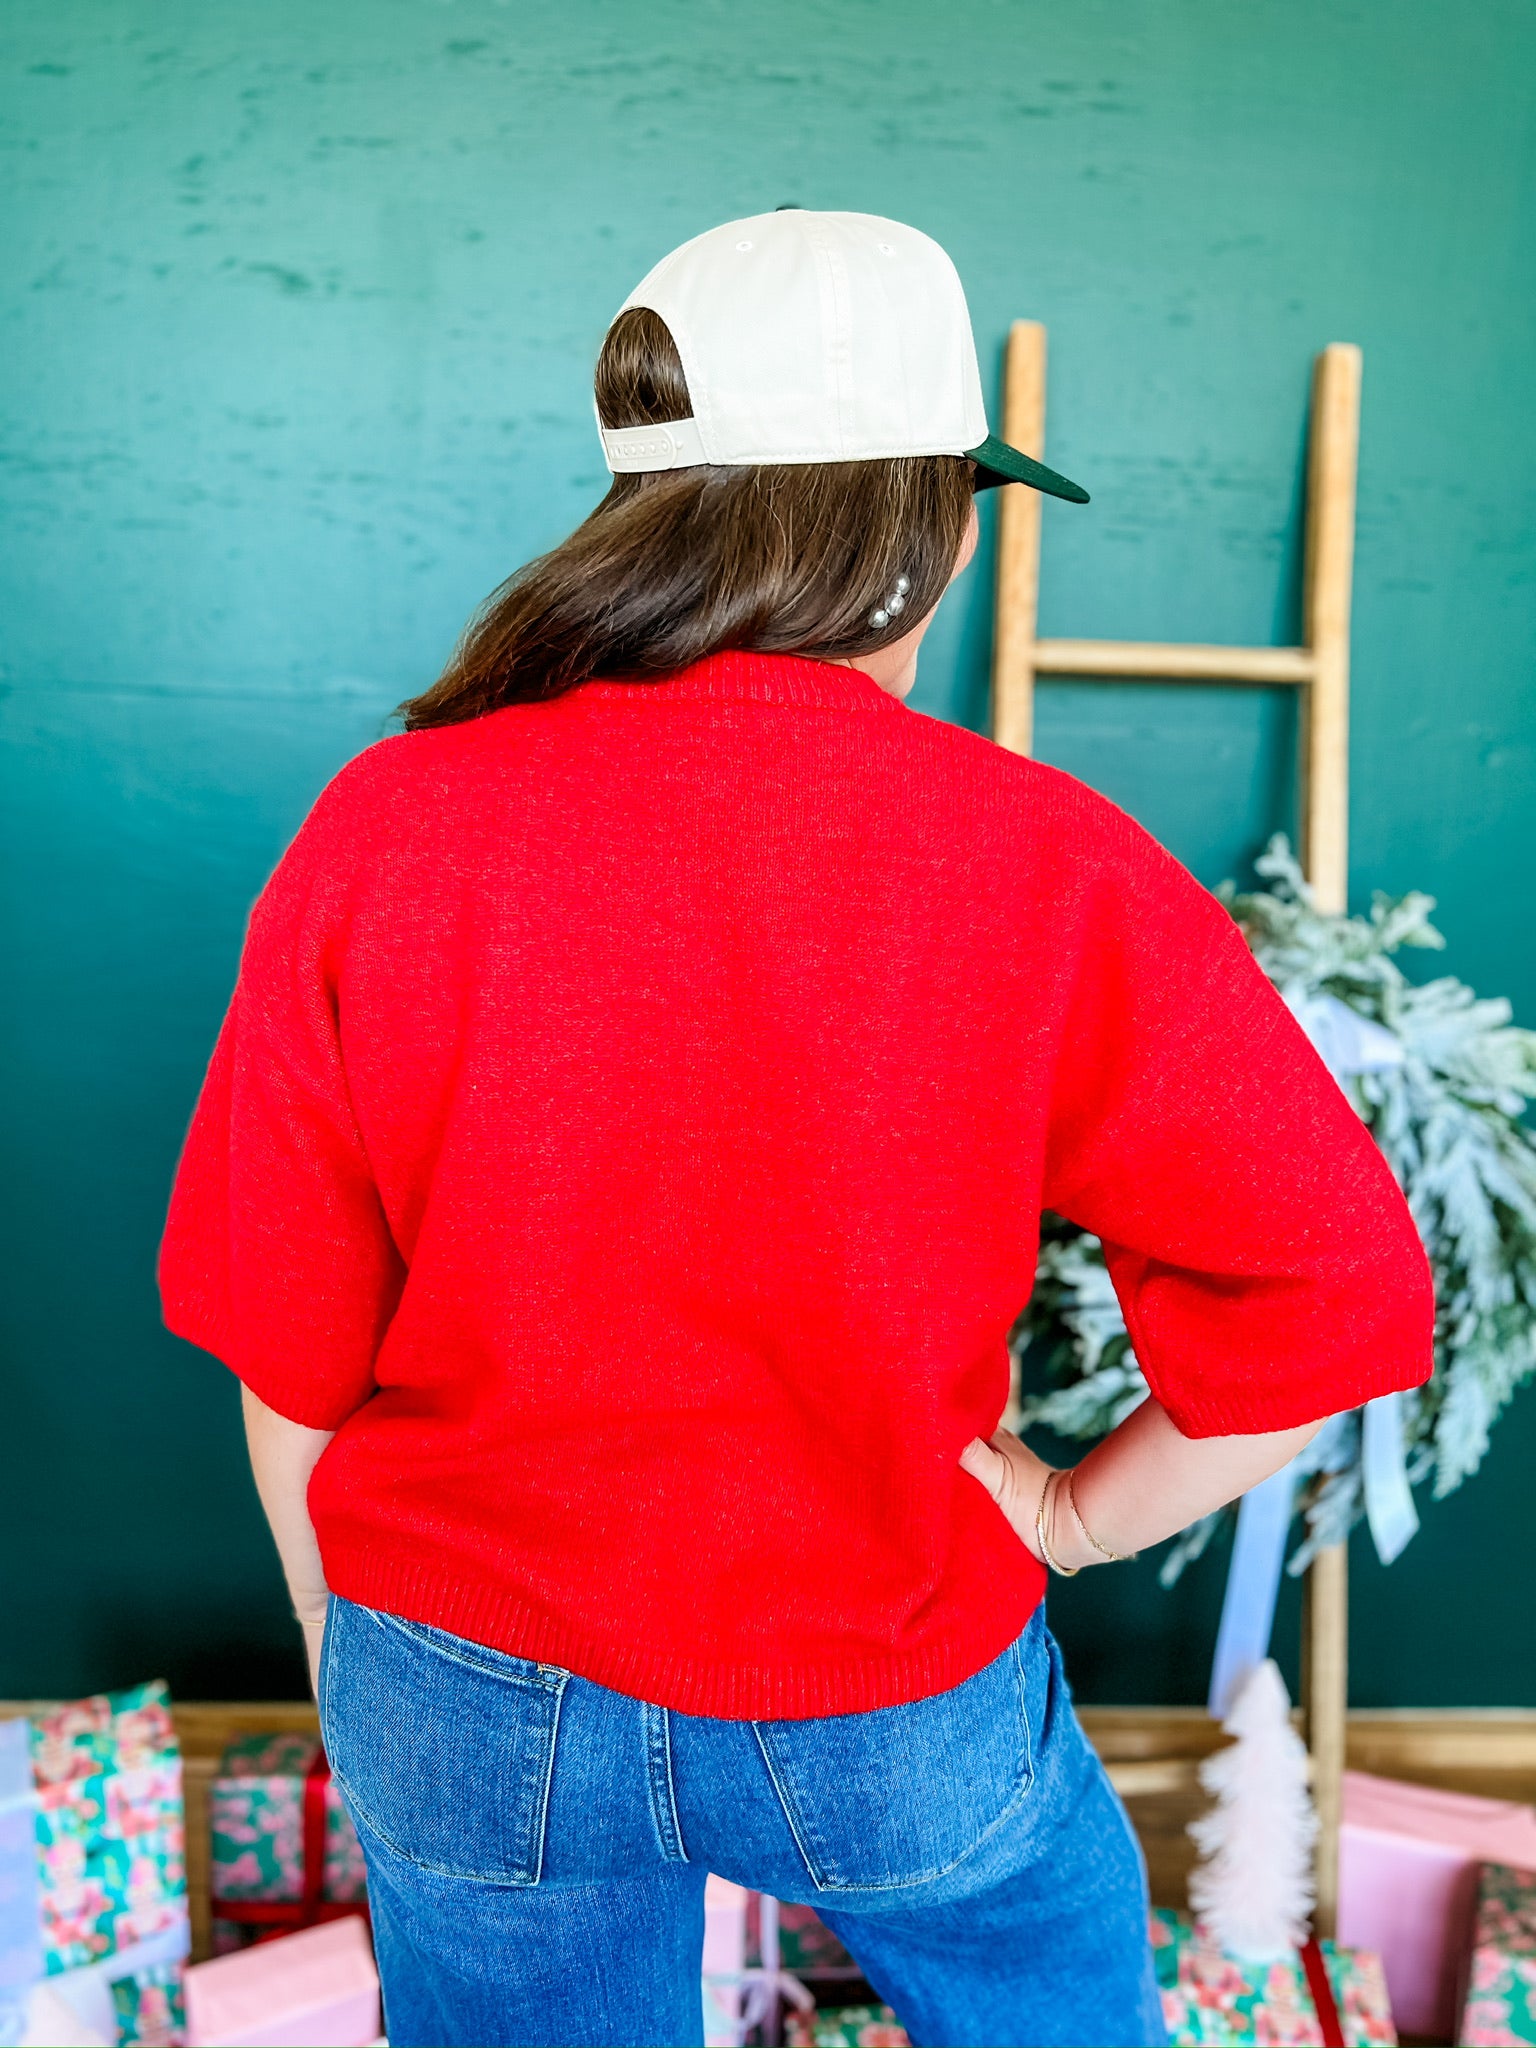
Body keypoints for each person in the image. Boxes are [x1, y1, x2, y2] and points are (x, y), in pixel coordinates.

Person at [159, 210, 1434, 2048]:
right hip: (888, 1676)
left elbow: (286, 1342)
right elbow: (1329, 1295)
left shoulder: (391, 822)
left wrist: (347, 1656)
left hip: (463, 1680)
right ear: (942, 526)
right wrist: (1073, 1519)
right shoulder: (1046, 860)